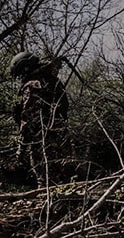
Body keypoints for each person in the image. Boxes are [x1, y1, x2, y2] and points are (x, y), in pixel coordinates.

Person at [8, 51, 70, 186]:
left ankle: (49, 203)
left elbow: (30, 118)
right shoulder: (53, 80)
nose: (21, 77)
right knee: (63, 177)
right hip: (61, 136)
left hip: (42, 140)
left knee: (46, 179)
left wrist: (21, 148)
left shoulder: (32, 85)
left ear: (25, 68)